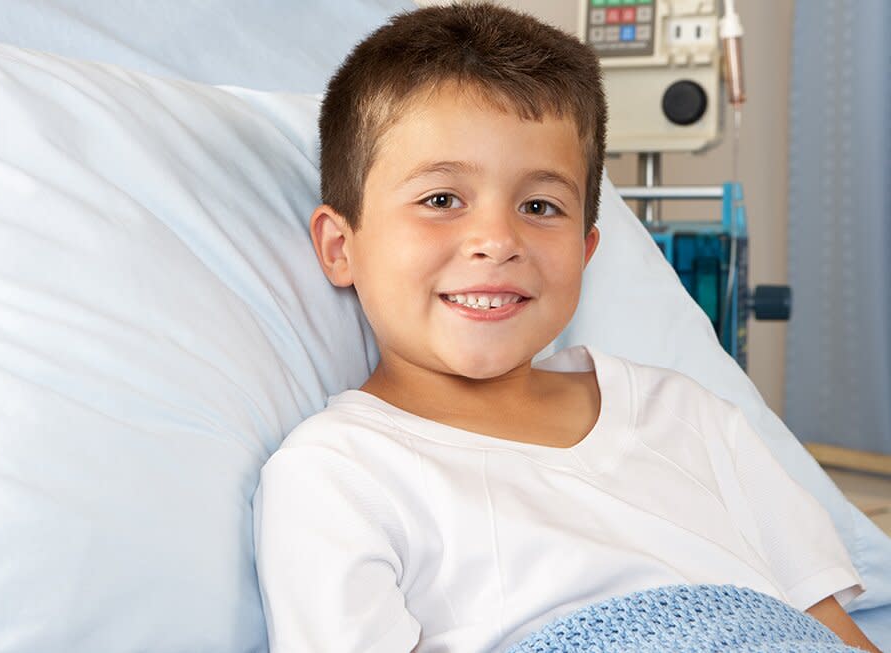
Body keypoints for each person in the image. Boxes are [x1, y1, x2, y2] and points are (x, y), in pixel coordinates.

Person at [252, 4, 880, 652]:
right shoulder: (337, 475)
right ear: (338, 246)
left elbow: (829, 632)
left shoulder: (691, 419)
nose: (497, 240)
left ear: (585, 250)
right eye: (442, 199)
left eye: (540, 206)